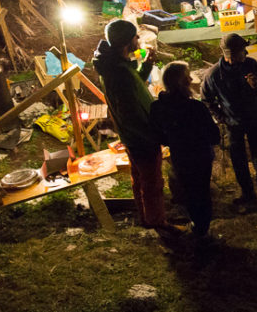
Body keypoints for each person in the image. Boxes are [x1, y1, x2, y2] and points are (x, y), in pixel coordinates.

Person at [93, 20, 180, 235]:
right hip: (141, 136)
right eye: (135, 37)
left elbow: (135, 83)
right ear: (126, 42)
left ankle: (147, 218)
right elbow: (129, 112)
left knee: (140, 178)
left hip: (133, 135)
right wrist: (155, 135)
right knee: (152, 182)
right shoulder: (118, 72)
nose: (138, 40)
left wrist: (147, 65)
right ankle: (158, 223)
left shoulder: (115, 65)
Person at [202, 33, 257, 212]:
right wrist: (222, 118)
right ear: (229, 55)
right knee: (238, 159)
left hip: (254, 118)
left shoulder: (251, 65)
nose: (245, 54)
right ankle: (248, 194)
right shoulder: (213, 75)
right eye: (242, 51)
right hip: (233, 123)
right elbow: (207, 100)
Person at [150, 61, 220, 238]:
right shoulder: (195, 107)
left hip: (180, 156)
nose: (191, 78)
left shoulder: (158, 107)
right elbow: (214, 135)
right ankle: (202, 231)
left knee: (189, 191)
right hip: (201, 156)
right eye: (187, 76)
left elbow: (158, 135)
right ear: (182, 82)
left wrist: (173, 140)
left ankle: (197, 225)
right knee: (202, 193)